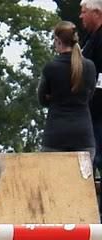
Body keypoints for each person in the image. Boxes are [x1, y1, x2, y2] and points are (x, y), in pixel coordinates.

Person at [38, 21, 96, 160]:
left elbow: (41, 98)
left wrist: (52, 99)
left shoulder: (51, 68)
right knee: (82, 181)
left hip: (55, 135)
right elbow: (90, 95)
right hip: (83, 135)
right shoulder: (89, 67)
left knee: (52, 180)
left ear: (57, 40)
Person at [81, 0, 102, 175]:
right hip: (90, 112)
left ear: (96, 13)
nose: (81, 16)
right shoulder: (89, 39)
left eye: (84, 11)